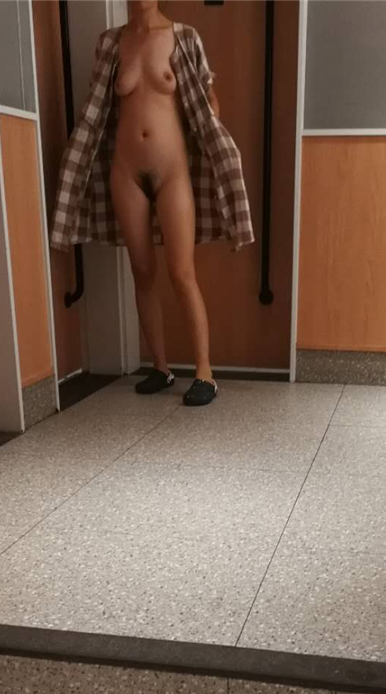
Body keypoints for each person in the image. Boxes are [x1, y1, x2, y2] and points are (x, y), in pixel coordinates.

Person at [50, 0, 254, 406]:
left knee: (182, 272)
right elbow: (99, 108)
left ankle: (205, 374)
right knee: (142, 272)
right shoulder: (110, 43)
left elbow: (209, 99)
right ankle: (160, 368)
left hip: (173, 169)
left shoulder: (184, 37)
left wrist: (208, 128)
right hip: (125, 171)